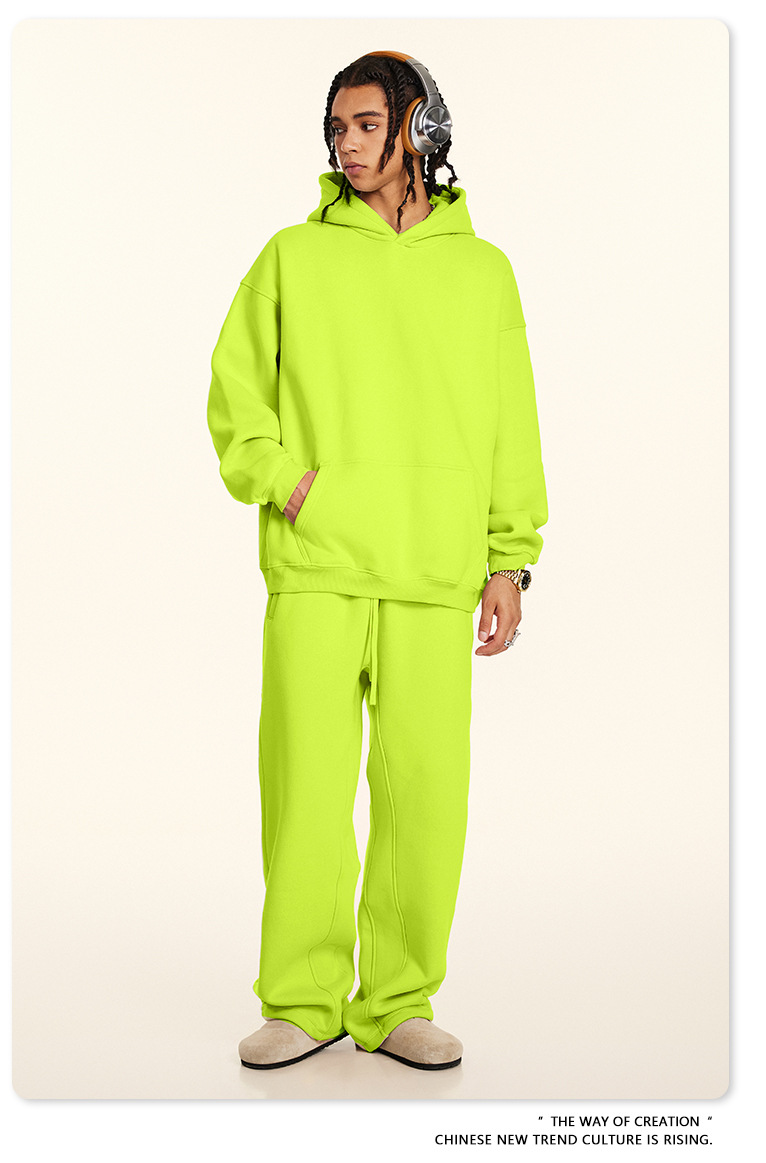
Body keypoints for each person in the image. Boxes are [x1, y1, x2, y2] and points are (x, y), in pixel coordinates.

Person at [207, 50, 548, 1072]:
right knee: (306, 791)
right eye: (337, 127)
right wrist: (288, 484)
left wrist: (508, 559)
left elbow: (511, 426)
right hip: (316, 563)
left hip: (434, 571)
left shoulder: (483, 273)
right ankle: (303, 998)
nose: (347, 145)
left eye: (367, 125)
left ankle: (398, 998)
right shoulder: (291, 258)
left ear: (419, 130)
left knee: (424, 797)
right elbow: (235, 396)